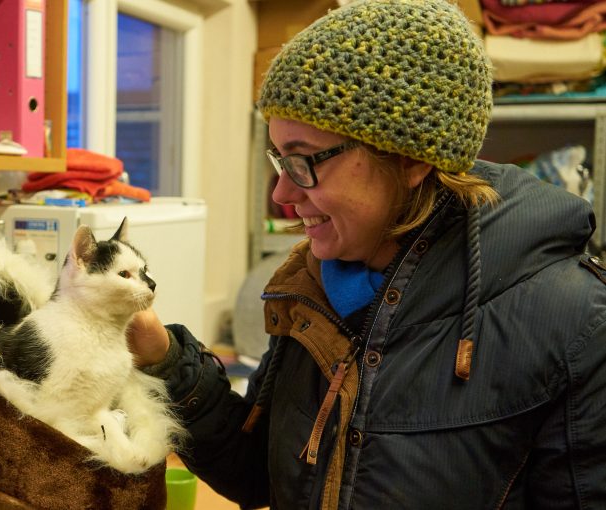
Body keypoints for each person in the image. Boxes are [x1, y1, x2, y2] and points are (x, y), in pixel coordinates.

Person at [128, 0, 606, 507]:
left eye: (304, 161)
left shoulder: (576, 325)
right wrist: (164, 359)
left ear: (410, 160)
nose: (282, 195)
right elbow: (260, 473)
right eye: (278, 159)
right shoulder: (313, 291)